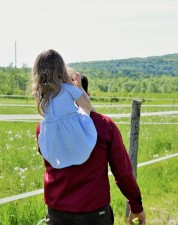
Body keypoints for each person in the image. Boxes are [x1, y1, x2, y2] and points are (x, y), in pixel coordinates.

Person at [35, 68, 146, 225]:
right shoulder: (104, 126)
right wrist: (136, 206)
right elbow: (123, 173)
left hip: (57, 214)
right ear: (85, 94)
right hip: (95, 214)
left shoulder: (44, 128)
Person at [31, 49, 97, 169]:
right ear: (61, 68)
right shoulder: (67, 88)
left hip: (53, 138)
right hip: (74, 131)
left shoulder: (42, 93)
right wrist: (79, 87)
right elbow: (87, 106)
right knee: (84, 112)